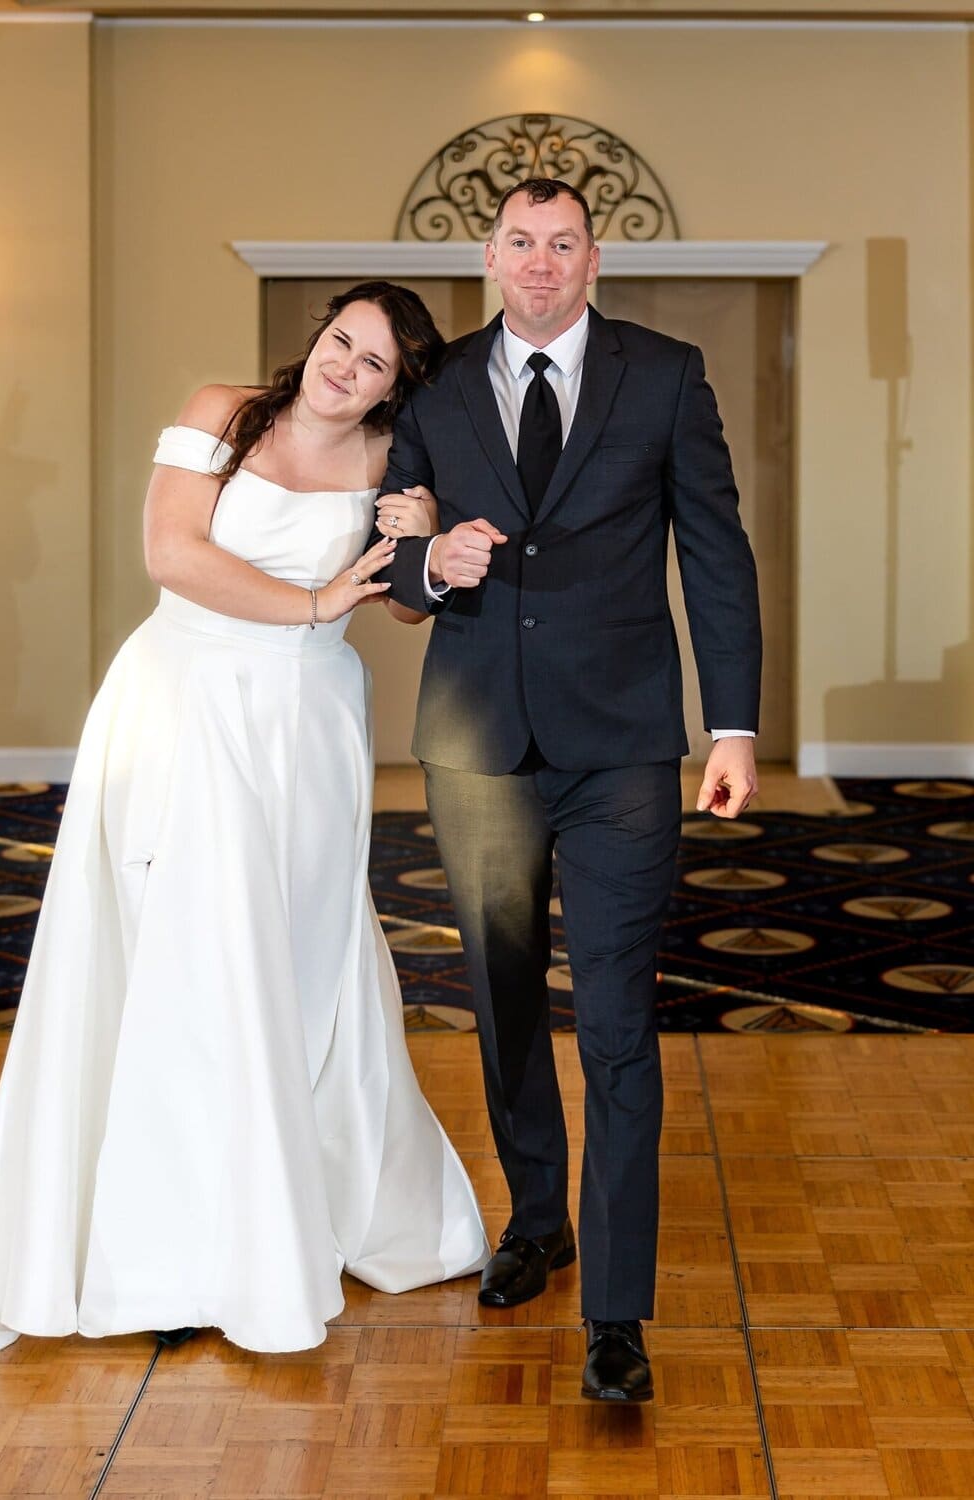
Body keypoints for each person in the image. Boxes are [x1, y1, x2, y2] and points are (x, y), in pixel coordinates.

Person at [0, 281, 490, 1361]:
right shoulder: (220, 415)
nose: (347, 367)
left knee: (291, 961)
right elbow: (171, 552)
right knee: (181, 958)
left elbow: (412, 596)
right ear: (319, 337)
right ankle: (175, 1252)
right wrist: (310, 603)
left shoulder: (393, 461)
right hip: (181, 702)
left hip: (306, 726)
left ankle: (291, 1213)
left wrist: (421, 539)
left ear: (397, 386)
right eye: (343, 342)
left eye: (375, 363)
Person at [378, 179, 762, 1402]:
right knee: (500, 1001)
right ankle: (536, 1221)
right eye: (520, 244)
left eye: (563, 245)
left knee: (616, 1022)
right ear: (489, 257)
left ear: (595, 257)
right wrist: (428, 567)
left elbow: (715, 551)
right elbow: (389, 557)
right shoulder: (433, 387)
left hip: (625, 754)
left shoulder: (666, 373)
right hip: (477, 744)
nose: (540, 265)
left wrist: (734, 725)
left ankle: (618, 1313)